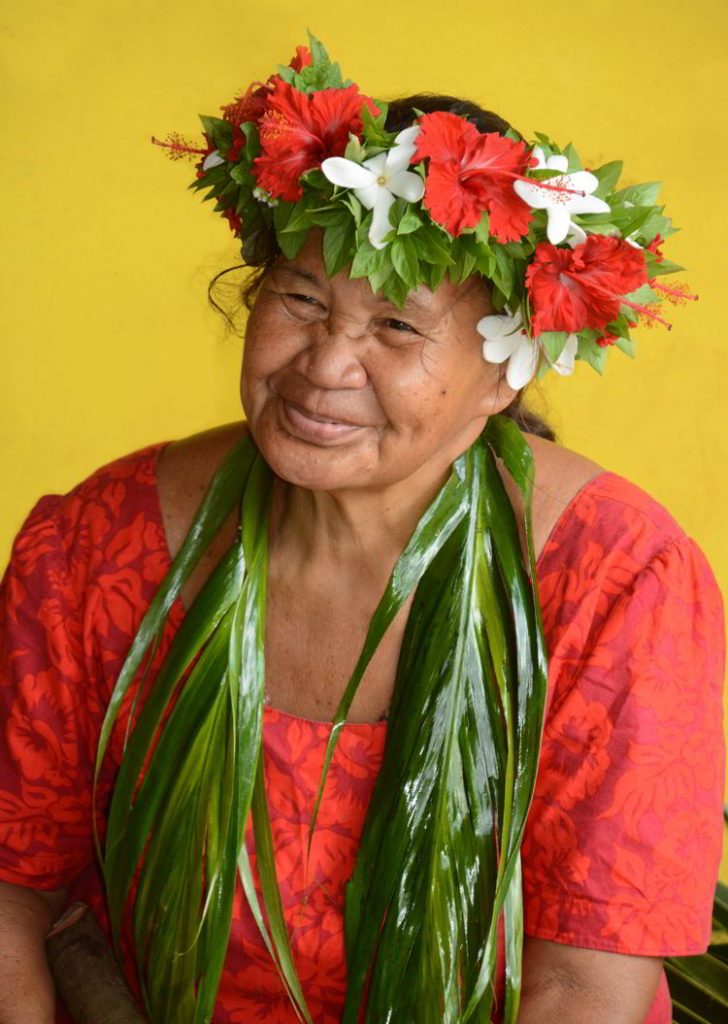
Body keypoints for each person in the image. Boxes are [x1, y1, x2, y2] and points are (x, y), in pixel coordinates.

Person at [0, 38, 724, 1024]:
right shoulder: (98, 545)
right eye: (300, 298)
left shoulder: (616, 580)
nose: (326, 364)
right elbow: (7, 903)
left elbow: (582, 992)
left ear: (506, 368)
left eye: (395, 328)